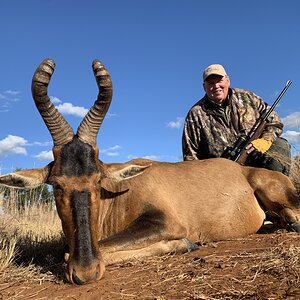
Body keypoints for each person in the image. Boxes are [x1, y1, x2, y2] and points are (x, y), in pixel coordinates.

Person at [182, 64, 291, 175]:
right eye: (211, 83)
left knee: (280, 145)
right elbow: (190, 156)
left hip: (256, 157)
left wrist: (266, 140)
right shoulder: (196, 113)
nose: (216, 86)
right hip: (219, 173)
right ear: (204, 87)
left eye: (220, 80)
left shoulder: (247, 97)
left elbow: (275, 122)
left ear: (228, 81)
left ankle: (278, 190)